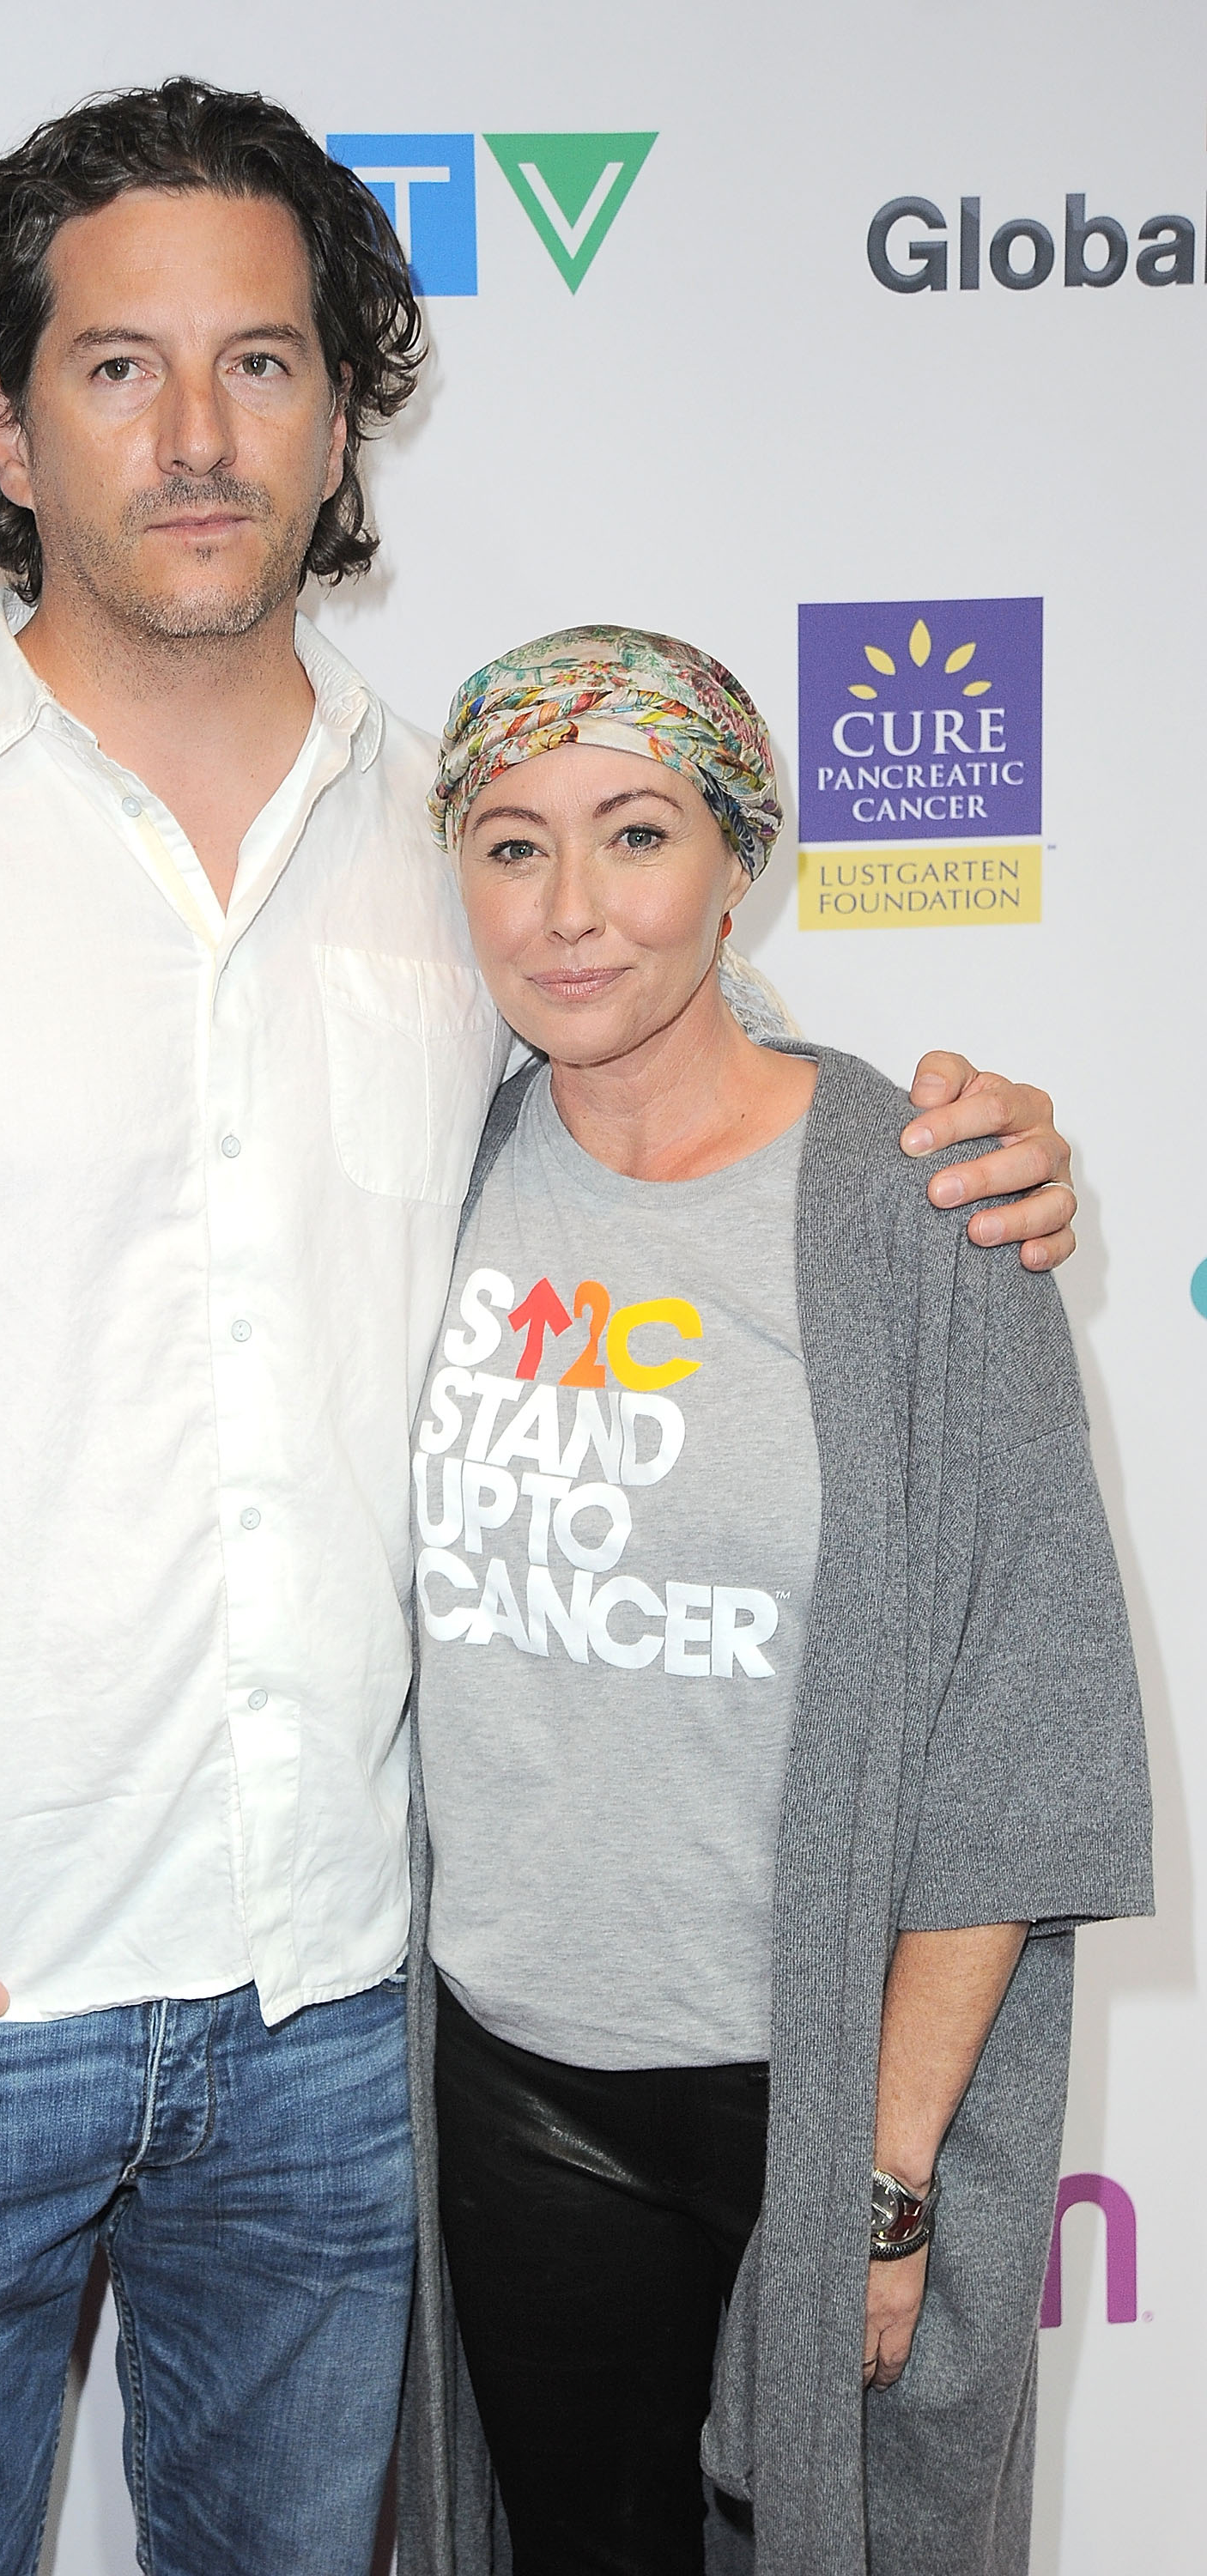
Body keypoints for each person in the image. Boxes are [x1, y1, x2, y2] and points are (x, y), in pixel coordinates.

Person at [0, 80, 1079, 2576]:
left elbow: (680, 1135)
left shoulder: (469, 854)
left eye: (262, 362)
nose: (194, 431)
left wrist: (954, 1163)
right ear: (8, 426)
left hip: (339, 2026)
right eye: (119, 366)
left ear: (340, 413)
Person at [397, 628, 1152, 2576]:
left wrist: (880, 2184)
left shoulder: (923, 1203)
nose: (568, 914)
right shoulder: (431, 1176)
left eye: (632, 835)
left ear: (737, 864)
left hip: (807, 2096)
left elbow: (1016, 1728)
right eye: (508, 845)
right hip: (515, 2084)